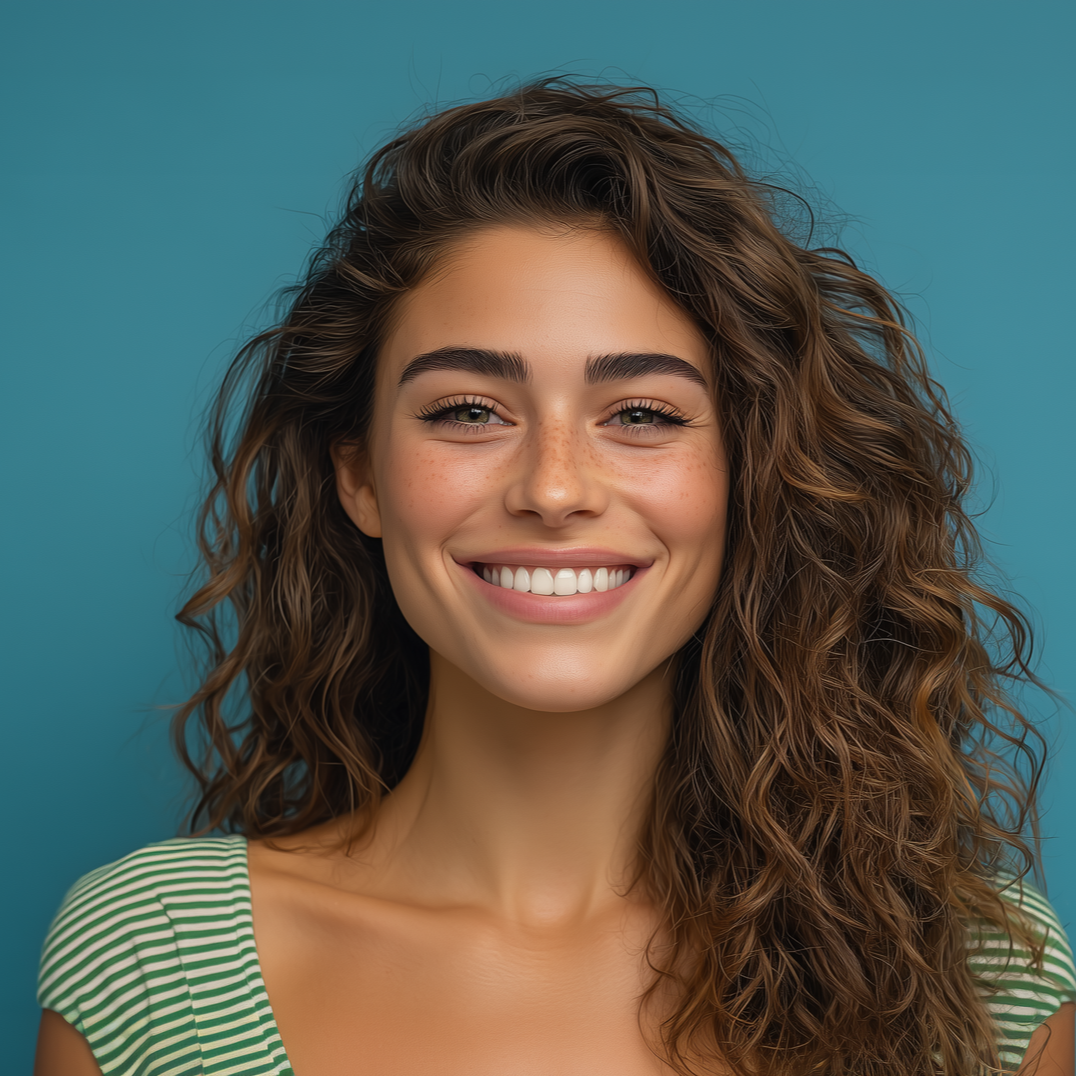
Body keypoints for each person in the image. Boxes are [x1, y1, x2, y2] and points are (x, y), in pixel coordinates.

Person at [34, 80, 1075, 1076]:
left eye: (643, 415)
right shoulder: (153, 966)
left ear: (745, 472)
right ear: (356, 473)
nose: (553, 486)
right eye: (469, 410)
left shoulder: (980, 975)